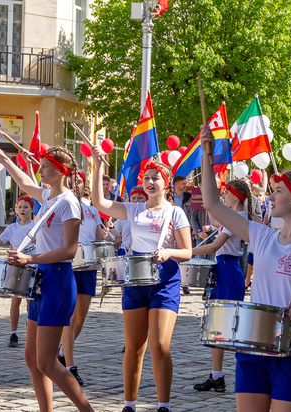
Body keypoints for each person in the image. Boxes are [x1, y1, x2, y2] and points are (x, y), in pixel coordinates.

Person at [199, 125, 291, 412]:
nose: (270, 197)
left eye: (278, 192)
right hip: (253, 339)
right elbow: (211, 203)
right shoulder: (261, 235)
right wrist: (206, 156)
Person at [0, 145, 93, 411]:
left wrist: (30, 259)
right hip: (41, 278)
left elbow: (70, 251)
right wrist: (3, 158)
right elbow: (23, 180)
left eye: (45, 167)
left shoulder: (69, 202)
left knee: (47, 361)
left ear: (60, 172)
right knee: (31, 357)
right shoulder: (48, 195)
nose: (40, 170)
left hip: (57, 278)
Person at [91, 147, 192, 412]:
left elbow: (187, 251)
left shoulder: (175, 213)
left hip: (165, 280)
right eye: (146, 178)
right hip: (135, 280)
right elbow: (99, 203)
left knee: (159, 345)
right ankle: (129, 404)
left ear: (166, 183)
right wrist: (97, 165)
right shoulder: (134, 209)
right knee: (134, 346)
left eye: (155, 178)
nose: (149, 182)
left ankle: (163, 405)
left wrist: (168, 252)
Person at [192, 180, 251, 392]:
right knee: (217, 326)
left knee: (230, 326)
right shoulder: (235, 217)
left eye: (226, 193)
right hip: (225, 269)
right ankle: (217, 376)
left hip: (229, 270)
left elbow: (216, 244)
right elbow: (217, 221)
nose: (224, 196)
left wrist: (186, 252)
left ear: (235, 197)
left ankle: (244, 376)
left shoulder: (238, 218)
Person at [57, 171, 105, 386]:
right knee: (70, 317)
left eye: (79, 180)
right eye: (72, 180)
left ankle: (60, 351)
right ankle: (70, 365)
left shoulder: (92, 210)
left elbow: (99, 238)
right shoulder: (62, 204)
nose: (76, 183)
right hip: (68, 264)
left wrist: (111, 239)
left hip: (88, 266)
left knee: (80, 320)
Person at [0, 196, 35, 348]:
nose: (22, 210)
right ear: (16, 209)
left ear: (32, 209)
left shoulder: (37, 227)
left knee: (32, 304)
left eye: (26, 207)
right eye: (20, 207)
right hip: (16, 267)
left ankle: (31, 334)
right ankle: (14, 333)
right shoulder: (12, 228)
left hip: (32, 266)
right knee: (15, 301)